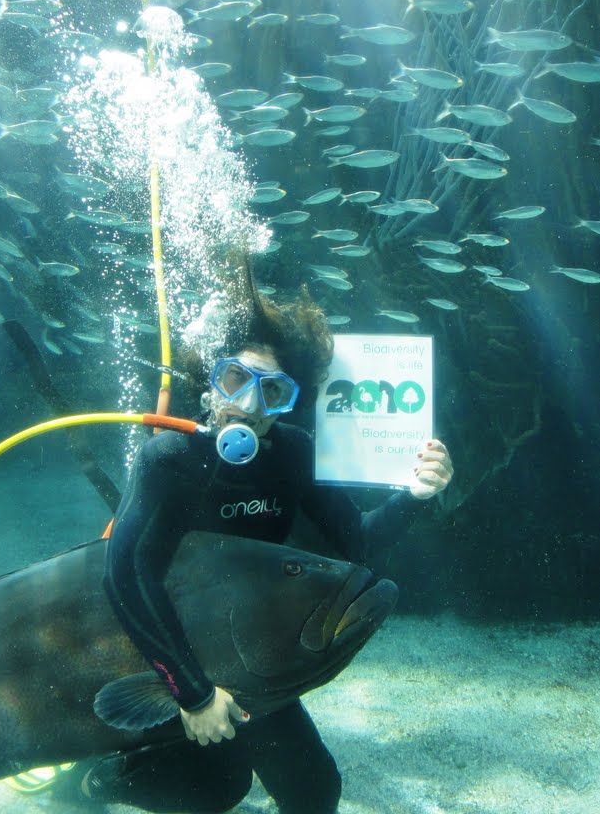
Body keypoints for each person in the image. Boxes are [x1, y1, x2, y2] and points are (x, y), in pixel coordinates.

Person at [55, 264, 453, 812]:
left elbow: (357, 541)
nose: (247, 405)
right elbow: (125, 576)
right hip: (166, 648)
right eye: (234, 380)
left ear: (292, 399)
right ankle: (94, 783)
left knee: (315, 790)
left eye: (273, 391)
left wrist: (414, 495)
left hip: (242, 655)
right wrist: (192, 693)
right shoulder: (169, 458)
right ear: (210, 379)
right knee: (217, 788)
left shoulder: (291, 452)